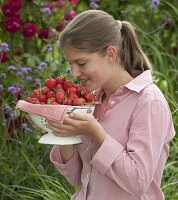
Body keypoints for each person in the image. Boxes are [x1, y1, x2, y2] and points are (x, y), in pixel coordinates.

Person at [43, 10, 175, 200]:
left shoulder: (148, 102)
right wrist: (63, 132)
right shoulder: (91, 99)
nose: (73, 72)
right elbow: (77, 178)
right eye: (70, 64)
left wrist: (96, 132)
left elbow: (138, 182)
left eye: (81, 63)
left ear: (110, 54)